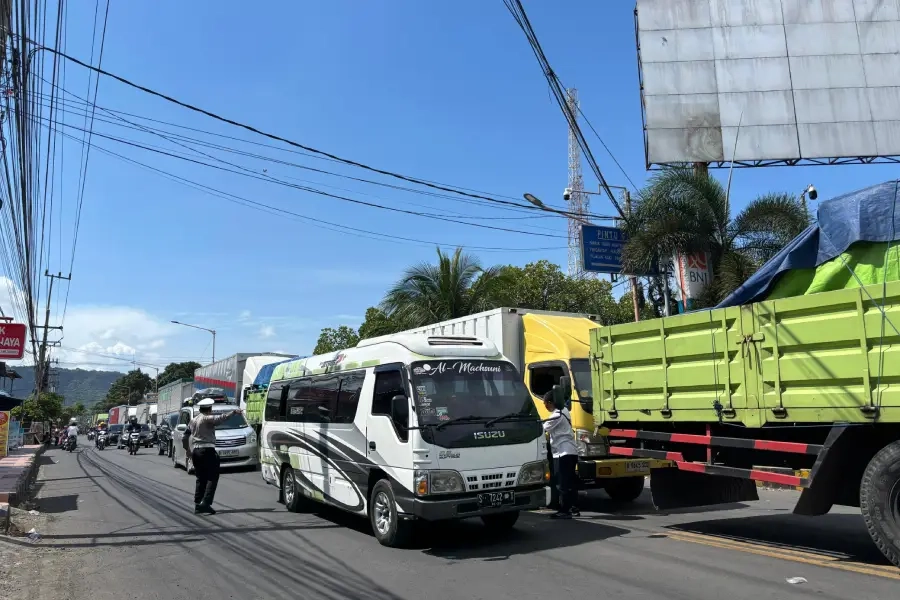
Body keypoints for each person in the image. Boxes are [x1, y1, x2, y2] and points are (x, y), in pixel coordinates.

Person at [187, 399, 241, 515]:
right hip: (207, 451)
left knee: (200, 478)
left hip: (196, 451)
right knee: (212, 476)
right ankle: (206, 503)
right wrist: (233, 412)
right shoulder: (206, 418)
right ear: (209, 409)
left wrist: (188, 450)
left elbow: (185, 435)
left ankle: (198, 504)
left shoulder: (192, 421)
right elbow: (220, 418)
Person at [542, 391, 579, 519]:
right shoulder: (564, 410)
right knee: (570, 481)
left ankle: (564, 510)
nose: (545, 407)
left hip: (563, 452)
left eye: (545, 404)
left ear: (550, 403)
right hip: (571, 451)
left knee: (562, 483)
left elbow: (543, 428)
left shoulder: (556, 415)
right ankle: (573, 507)